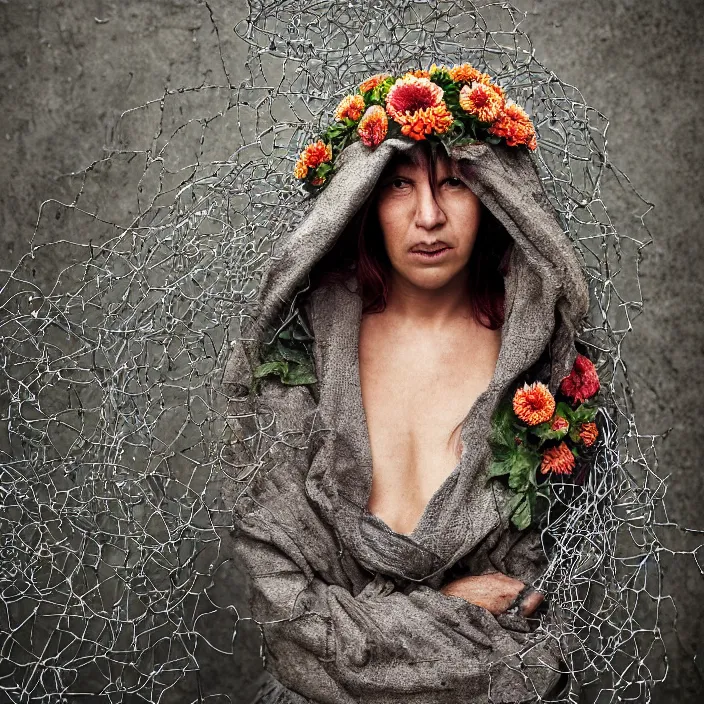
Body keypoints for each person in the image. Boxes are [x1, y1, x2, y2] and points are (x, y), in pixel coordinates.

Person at [222, 71, 589, 703]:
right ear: (362, 197)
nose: (429, 216)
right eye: (400, 183)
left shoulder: (547, 376)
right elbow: (290, 626)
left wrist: (365, 627)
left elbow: (534, 623)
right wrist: (451, 609)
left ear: (494, 196)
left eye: (454, 182)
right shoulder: (297, 361)